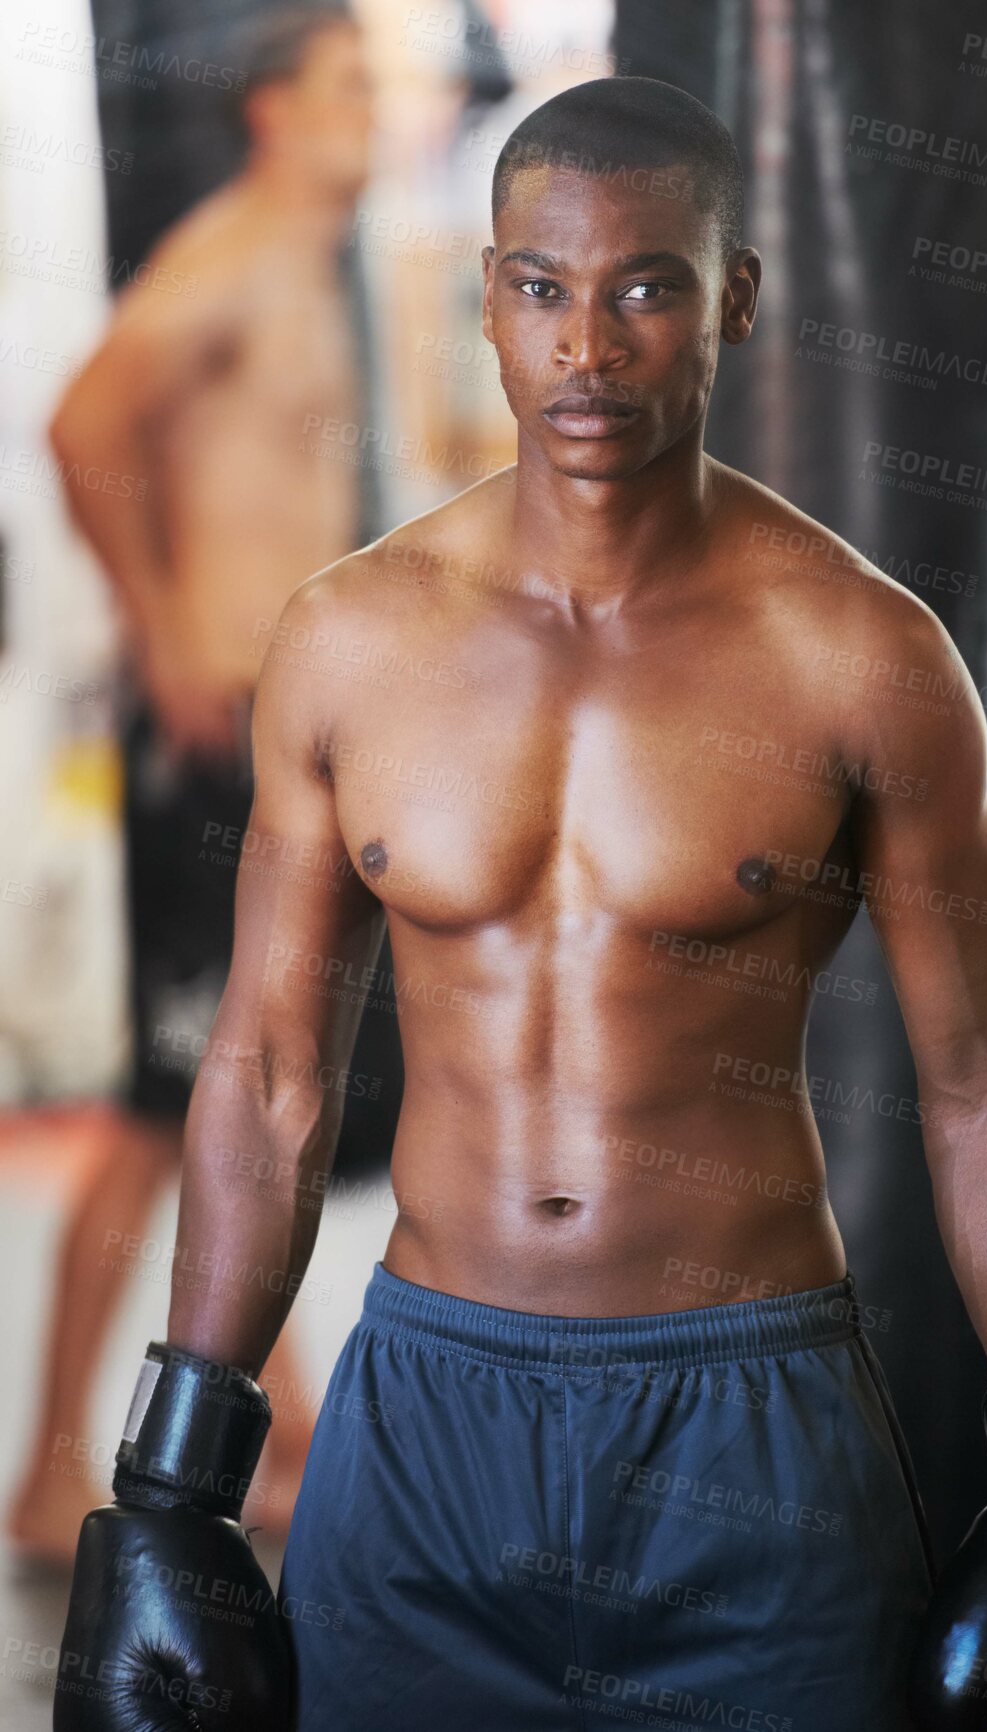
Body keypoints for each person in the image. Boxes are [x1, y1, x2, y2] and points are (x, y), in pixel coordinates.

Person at [54, 76, 987, 1732]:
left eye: (646, 285)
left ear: (735, 297)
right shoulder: (353, 642)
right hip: (428, 1413)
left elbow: (986, 1079)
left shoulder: (862, 655)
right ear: (487, 301)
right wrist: (170, 1487)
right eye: (543, 288)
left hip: (753, 1427)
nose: (591, 345)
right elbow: (271, 1070)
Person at [12, 9, 377, 1565]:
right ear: (279, 107)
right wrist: (160, 627)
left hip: (271, 739)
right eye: (358, 86)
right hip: (208, 741)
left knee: (251, 1093)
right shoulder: (230, 250)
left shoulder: (313, 267)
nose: (385, 116)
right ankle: (41, 1475)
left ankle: (281, 1433)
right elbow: (82, 422)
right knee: (172, 1116)